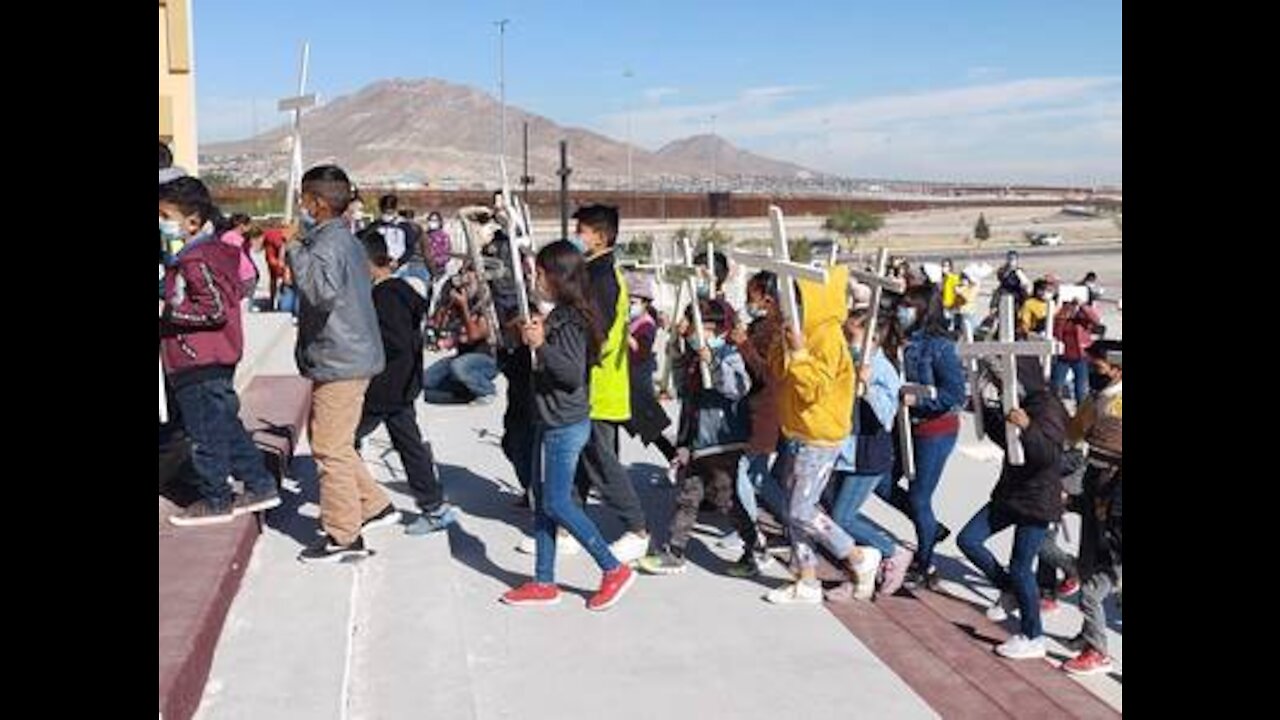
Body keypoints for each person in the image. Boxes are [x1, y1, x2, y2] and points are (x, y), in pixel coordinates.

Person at [500, 240, 637, 611]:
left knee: (559, 502)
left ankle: (612, 568)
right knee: (543, 504)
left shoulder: (573, 320)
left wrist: (542, 345)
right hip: (548, 419)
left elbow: (571, 373)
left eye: (540, 273)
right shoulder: (561, 315)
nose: (535, 278)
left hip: (563, 422)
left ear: (557, 278)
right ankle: (544, 580)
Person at [287, 164, 395, 563]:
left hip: (341, 358)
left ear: (316, 202)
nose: (301, 206)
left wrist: (294, 247)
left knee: (329, 449)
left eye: (303, 198)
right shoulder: (343, 237)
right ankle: (374, 503)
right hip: (348, 354)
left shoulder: (326, 243)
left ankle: (344, 535)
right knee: (333, 439)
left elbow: (318, 293)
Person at [159, 176, 281, 526]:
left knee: (204, 436)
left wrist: (167, 312)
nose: (161, 222)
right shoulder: (210, 251)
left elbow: (211, 309)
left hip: (197, 359)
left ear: (192, 221)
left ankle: (215, 498)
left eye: (165, 215)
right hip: (214, 356)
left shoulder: (195, 259)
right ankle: (259, 485)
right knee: (225, 426)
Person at [764, 266, 881, 604]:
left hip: (820, 433)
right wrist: (781, 343)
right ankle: (807, 578)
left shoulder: (827, 335)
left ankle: (858, 556)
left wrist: (799, 352)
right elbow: (779, 375)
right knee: (794, 510)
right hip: (796, 428)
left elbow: (814, 387)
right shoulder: (795, 329)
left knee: (802, 510)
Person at [958, 356, 1067, 660]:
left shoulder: (1047, 406)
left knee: (1022, 567)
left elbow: (1047, 454)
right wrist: (986, 411)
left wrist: (1028, 425)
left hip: (1037, 501)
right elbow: (1007, 441)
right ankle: (1010, 589)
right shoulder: (1017, 401)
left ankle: (1033, 635)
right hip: (1011, 494)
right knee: (969, 540)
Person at [638, 299, 758, 576]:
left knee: (726, 499)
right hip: (697, 441)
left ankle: (754, 547)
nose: (690, 330)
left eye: (694, 325)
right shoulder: (693, 357)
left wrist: (713, 364)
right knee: (688, 496)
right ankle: (675, 551)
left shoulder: (729, 354)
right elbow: (683, 390)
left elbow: (737, 387)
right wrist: (679, 352)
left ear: (712, 328)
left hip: (722, 441)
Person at [356, 233, 457, 535]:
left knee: (339, 441)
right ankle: (434, 505)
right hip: (404, 383)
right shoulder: (402, 289)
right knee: (409, 444)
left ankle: (364, 500)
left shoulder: (384, 296)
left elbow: (396, 341)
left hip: (385, 386)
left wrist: (364, 346)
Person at [572, 205, 651, 564]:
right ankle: (568, 526)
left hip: (599, 383)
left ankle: (637, 529)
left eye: (583, 230)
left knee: (601, 459)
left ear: (601, 236)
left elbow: (598, 336)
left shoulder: (602, 278)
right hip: (594, 381)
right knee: (580, 455)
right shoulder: (593, 272)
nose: (578, 236)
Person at [826, 306, 914, 599]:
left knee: (842, 518)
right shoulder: (848, 359)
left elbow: (888, 416)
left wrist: (867, 387)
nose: (845, 339)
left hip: (868, 453)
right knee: (832, 513)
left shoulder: (882, 369)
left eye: (851, 335)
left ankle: (893, 551)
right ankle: (857, 577)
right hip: (843, 448)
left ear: (871, 338)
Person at [883, 284, 967, 588]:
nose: (902, 311)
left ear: (923, 310)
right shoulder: (899, 340)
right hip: (903, 424)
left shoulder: (940, 347)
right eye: (901, 305)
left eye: (909, 306)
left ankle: (926, 562)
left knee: (920, 497)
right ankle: (930, 527)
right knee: (881, 481)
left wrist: (921, 402)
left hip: (935, 430)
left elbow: (956, 394)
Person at [1061, 340, 1122, 676]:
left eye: (1097, 366)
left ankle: (1098, 648)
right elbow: (1073, 434)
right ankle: (1089, 634)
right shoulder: (1095, 399)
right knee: (1086, 559)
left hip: (1115, 491)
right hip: (1092, 482)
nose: (1090, 371)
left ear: (1116, 368)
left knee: (1101, 568)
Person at [731, 271, 789, 546]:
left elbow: (768, 375)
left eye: (751, 295)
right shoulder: (760, 326)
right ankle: (789, 520)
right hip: (755, 407)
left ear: (767, 298)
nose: (747, 301)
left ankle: (751, 529)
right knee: (758, 476)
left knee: (745, 471)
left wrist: (744, 346)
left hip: (766, 410)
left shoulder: (776, 331)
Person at [422, 266, 500, 404]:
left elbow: (473, 336)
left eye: (470, 275)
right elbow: (439, 326)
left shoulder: (486, 306)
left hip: (486, 359)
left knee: (458, 366)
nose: (465, 279)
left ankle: (487, 390)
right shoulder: (458, 302)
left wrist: (464, 307)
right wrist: (447, 301)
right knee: (426, 382)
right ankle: (464, 392)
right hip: (461, 358)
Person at [622, 273, 677, 463]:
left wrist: (624, 337)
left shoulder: (645, 324)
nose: (630, 305)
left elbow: (641, 352)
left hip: (637, 387)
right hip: (628, 385)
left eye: (634, 301)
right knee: (649, 429)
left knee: (651, 430)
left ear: (645, 303)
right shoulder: (632, 321)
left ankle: (676, 459)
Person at [1051, 297, 1102, 404]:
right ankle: (1056, 409)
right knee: (1056, 386)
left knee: (1081, 389)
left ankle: (1081, 412)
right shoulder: (1062, 319)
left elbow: (1096, 320)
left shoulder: (1082, 320)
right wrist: (1062, 317)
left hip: (1080, 356)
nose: (1072, 310)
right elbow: (1056, 334)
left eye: (1074, 307)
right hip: (1063, 357)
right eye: (1070, 307)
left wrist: (1083, 306)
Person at [243, 226, 274, 312]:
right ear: (250, 240)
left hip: (268, 295)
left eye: (260, 238)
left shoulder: (268, 252)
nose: (258, 241)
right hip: (254, 295)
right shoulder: (246, 254)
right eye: (254, 238)